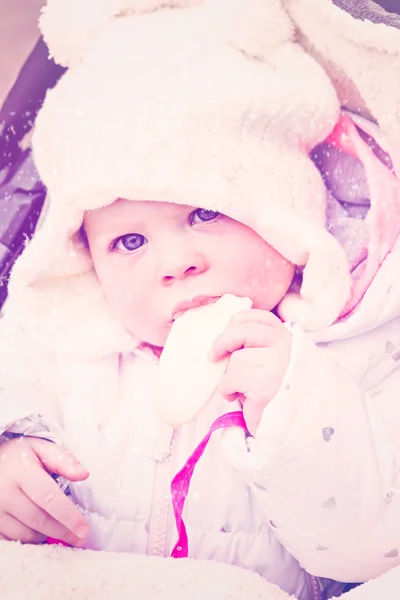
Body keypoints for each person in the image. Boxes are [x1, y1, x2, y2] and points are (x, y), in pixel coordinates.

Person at [0, 1, 399, 599]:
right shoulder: (60, 336)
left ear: (285, 218)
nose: (175, 263)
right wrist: (9, 451)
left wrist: (294, 408)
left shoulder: (354, 346)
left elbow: (374, 550)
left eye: (205, 212)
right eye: (129, 240)